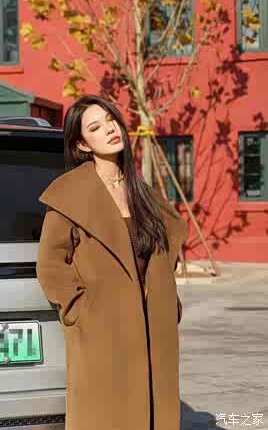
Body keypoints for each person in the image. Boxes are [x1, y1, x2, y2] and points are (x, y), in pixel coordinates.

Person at [36, 94, 188, 430]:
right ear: (82, 144)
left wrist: (169, 303)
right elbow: (50, 264)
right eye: (95, 127)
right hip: (102, 330)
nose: (109, 129)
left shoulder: (142, 191)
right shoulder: (69, 193)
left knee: (154, 412)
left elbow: (161, 252)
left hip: (152, 327)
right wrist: (81, 309)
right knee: (106, 414)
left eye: (111, 120)